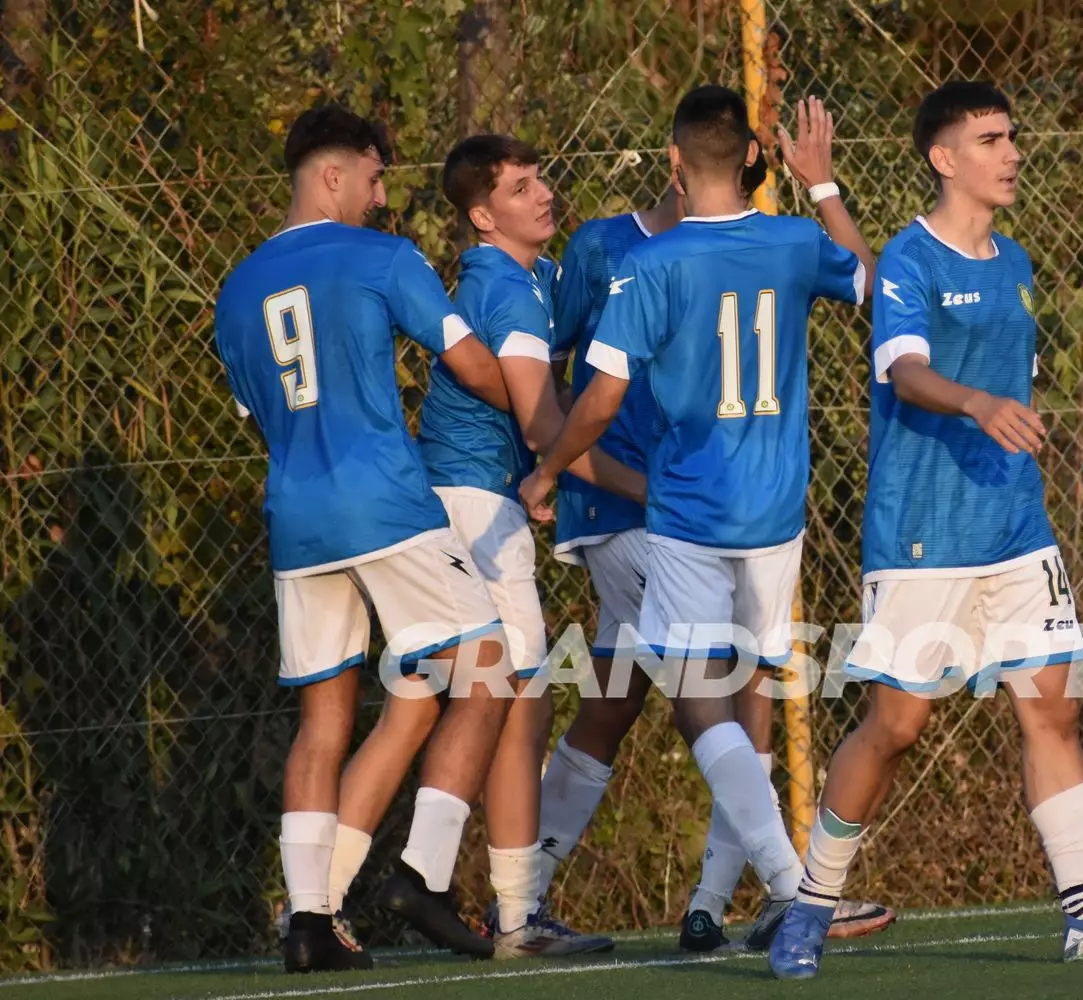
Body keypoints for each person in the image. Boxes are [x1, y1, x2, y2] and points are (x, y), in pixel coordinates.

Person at [767, 81, 1083, 980]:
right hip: (923, 533)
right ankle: (809, 906)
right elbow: (905, 368)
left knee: (1054, 707)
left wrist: (999, 415)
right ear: (944, 158)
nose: (1012, 152)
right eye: (991, 139)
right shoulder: (910, 257)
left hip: (1016, 527)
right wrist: (976, 402)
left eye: (1012, 136)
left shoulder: (1014, 263)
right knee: (896, 726)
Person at [519, 85, 874, 950]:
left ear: (674, 159)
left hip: (679, 509)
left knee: (671, 696)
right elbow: (871, 280)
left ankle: (758, 896)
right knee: (718, 689)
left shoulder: (655, 263)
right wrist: (822, 184)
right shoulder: (781, 241)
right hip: (735, 511)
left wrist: (548, 469)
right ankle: (752, 896)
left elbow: (596, 397)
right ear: (755, 157)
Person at [320, 134, 642, 960]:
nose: (543, 193)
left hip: (449, 503)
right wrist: (648, 490)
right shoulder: (508, 290)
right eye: (521, 186)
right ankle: (507, 911)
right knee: (521, 696)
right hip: (472, 509)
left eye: (542, 177)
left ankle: (313, 906)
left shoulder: (523, 278)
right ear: (482, 215)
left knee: (416, 710)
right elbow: (542, 426)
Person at [214, 105, 515, 972]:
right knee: (487, 671)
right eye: (375, 178)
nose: (382, 197)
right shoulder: (383, 257)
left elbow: (262, 417)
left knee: (323, 720)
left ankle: (310, 922)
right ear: (332, 174)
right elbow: (472, 365)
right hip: (384, 504)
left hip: (297, 516)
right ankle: (423, 875)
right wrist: (545, 419)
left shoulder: (236, 291)